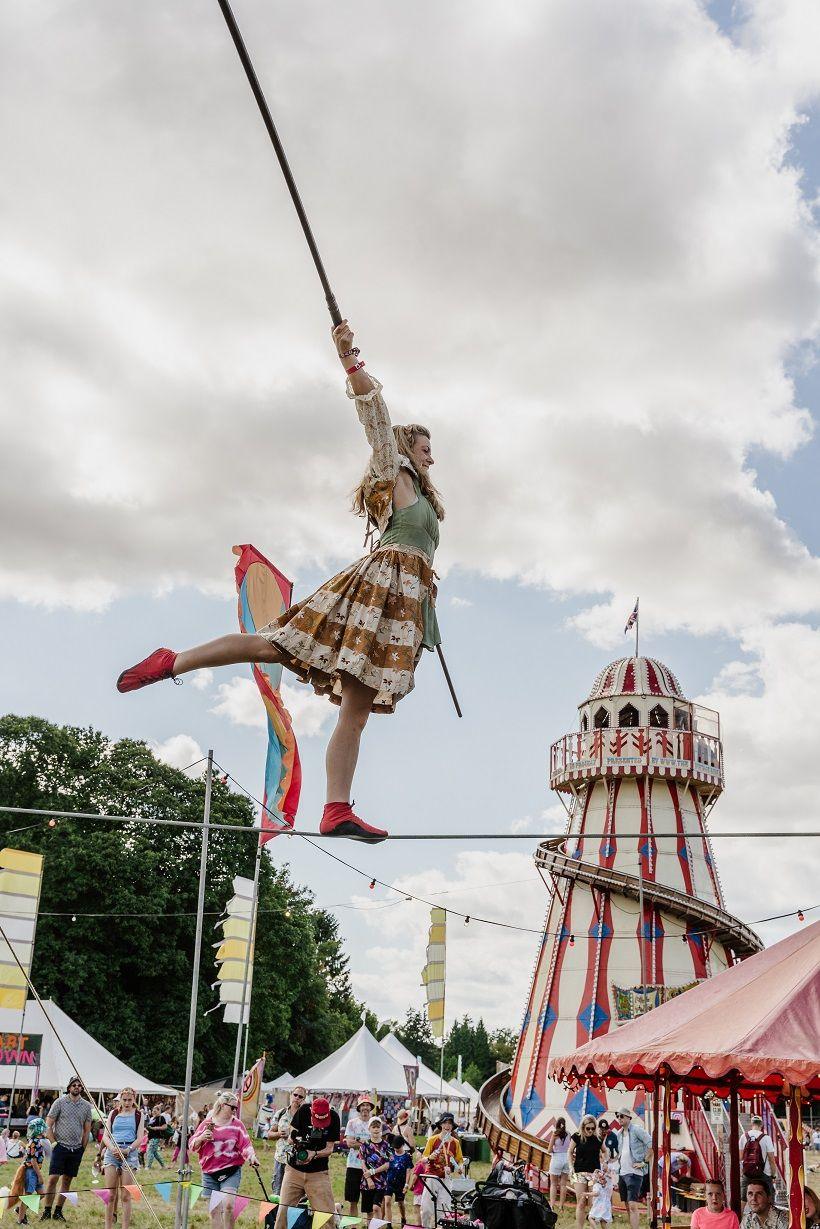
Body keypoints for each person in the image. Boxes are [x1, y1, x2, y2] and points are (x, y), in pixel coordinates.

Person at [117, 321, 445, 844]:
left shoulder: (423, 499)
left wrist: (427, 607)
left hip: (402, 606)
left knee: (355, 712)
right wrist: (350, 362)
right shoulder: (397, 474)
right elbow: (375, 418)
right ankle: (171, 661)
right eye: (426, 447)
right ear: (408, 449)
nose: (432, 456)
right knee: (275, 646)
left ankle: (336, 809)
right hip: (376, 592)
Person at [190, 1092, 259, 1229]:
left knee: (228, 1206)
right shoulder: (207, 1123)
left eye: (236, 1108)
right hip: (210, 1172)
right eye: (232, 1107)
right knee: (215, 1211)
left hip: (231, 1170)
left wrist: (252, 1157)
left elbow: (246, 1144)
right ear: (222, 1105)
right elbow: (192, 1145)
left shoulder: (237, 1124)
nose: (235, 1110)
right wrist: (202, 1137)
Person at [274, 1096, 341, 1229]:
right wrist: (295, 1141)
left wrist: (314, 1154)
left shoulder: (334, 1117)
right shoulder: (304, 1110)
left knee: (326, 1216)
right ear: (311, 1111)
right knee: (283, 1212)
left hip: (318, 1172)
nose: (319, 1124)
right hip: (294, 1170)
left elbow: (329, 1149)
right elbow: (290, 1136)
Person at [41, 1075, 93, 1221]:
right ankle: (47, 1211)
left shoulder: (86, 1106)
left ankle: (58, 1211)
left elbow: (87, 1129)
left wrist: (82, 1148)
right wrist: (53, 1143)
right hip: (60, 1146)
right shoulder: (60, 1102)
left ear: (81, 1088)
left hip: (76, 1149)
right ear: (69, 1087)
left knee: (67, 1181)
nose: (76, 1087)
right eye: (74, 1085)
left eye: (79, 1085)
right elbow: (48, 1124)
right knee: (53, 1179)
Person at [100, 1087, 145, 1229]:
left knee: (126, 1195)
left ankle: (125, 1226)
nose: (127, 1102)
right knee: (110, 1194)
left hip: (129, 1153)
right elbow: (106, 1136)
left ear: (134, 1100)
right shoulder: (113, 1113)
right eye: (124, 1100)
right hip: (112, 1153)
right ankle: (108, 1226)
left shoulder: (138, 1115)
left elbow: (140, 1138)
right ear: (120, 1099)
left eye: (129, 1100)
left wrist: (129, 1149)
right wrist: (112, 1148)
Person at [420, 1113, 463, 1229]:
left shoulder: (455, 1142)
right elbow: (422, 1159)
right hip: (432, 1176)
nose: (447, 1126)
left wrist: (460, 1167)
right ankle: (426, 1227)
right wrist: (429, 1158)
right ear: (441, 1125)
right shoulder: (433, 1140)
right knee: (426, 1208)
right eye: (445, 1123)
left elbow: (460, 1160)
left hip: (446, 1178)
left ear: (452, 1126)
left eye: (449, 1123)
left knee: (444, 1209)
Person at [614, 1109, 652, 1229]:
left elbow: (651, 1144)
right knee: (626, 1204)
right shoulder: (619, 1134)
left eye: (622, 1116)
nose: (619, 1118)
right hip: (622, 1172)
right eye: (618, 1116)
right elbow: (620, 1153)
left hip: (634, 1173)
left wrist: (644, 1162)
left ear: (629, 1117)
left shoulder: (637, 1130)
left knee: (632, 1205)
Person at [569, 1114, 604, 1229]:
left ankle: (593, 1226)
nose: (590, 1131)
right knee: (581, 1201)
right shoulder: (576, 1136)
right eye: (588, 1128)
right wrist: (570, 1166)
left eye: (593, 1128)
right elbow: (569, 1151)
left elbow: (605, 1151)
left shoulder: (598, 1138)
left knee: (593, 1203)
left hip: (594, 1174)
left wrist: (605, 1163)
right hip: (579, 1172)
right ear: (583, 1127)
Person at [271, 1086, 307, 1196]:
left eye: (300, 1096)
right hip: (281, 1158)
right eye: (295, 1095)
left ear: (303, 1099)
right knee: (278, 1192)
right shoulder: (280, 1113)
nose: (297, 1098)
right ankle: (276, 1212)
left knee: (296, 1194)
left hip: (298, 1160)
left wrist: (295, 1137)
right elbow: (269, 1134)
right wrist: (279, 1134)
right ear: (291, 1095)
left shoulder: (306, 1116)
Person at [344, 1094, 376, 1216]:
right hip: (353, 1165)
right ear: (359, 1108)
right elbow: (349, 1143)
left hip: (370, 1166)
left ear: (370, 1108)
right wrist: (366, 1143)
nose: (365, 1107)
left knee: (369, 1202)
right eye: (363, 1105)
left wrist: (359, 1141)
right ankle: (353, 1226)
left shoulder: (374, 1123)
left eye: (367, 1105)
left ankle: (369, 1225)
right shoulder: (352, 1123)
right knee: (353, 1200)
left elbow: (376, 1145)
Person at [12, 1117, 47, 1225]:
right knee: (28, 1195)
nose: (45, 1131)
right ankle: (21, 1220)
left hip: (34, 1172)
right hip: (32, 1172)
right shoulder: (35, 1142)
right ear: (39, 1130)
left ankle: (20, 1210)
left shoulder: (37, 1141)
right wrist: (40, 1176)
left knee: (42, 1194)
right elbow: (33, 1160)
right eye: (44, 1129)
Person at [359, 1116, 393, 1220]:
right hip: (367, 1183)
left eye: (378, 1126)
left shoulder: (386, 1145)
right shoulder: (364, 1145)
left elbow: (388, 1164)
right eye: (373, 1127)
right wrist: (369, 1179)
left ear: (381, 1129)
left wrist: (373, 1171)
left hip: (381, 1182)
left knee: (376, 1208)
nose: (376, 1129)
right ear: (369, 1129)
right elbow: (362, 1163)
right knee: (369, 1211)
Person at [739, 1116, 777, 1198]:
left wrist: (743, 1172)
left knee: (743, 1198)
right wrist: (773, 1175)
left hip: (748, 1173)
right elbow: (771, 1159)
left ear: (751, 1124)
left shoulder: (743, 1137)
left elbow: (740, 1158)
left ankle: (740, 1211)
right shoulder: (766, 1138)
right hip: (764, 1173)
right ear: (761, 1125)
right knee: (768, 1198)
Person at [385, 1132, 415, 1226]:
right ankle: (389, 1224)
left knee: (400, 1203)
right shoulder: (390, 1153)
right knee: (387, 1202)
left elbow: (408, 1171)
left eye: (398, 1147)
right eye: (395, 1147)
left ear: (402, 1145)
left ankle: (403, 1218)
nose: (396, 1149)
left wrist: (406, 1185)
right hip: (389, 1182)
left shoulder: (407, 1157)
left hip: (400, 1184)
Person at [548, 1116, 571, 1212]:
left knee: (553, 1184)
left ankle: (552, 1205)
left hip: (556, 1158)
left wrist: (555, 1149)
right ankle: (561, 1207)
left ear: (556, 1124)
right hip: (566, 1158)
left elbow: (549, 1150)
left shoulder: (555, 1134)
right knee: (563, 1184)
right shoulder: (569, 1134)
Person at [588, 1161, 618, 1229]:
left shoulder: (609, 1168)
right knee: (603, 1221)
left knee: (591, 1217)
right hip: (605, 1202)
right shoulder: (602, 1168)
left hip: (601, 1201)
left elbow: (596, 1192)